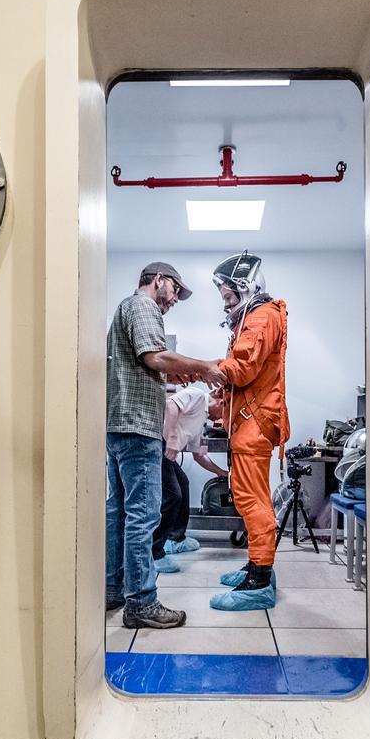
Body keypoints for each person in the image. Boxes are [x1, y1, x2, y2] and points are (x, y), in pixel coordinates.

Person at [106, 262, 224, 628]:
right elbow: (154, 357)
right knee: (144, 515)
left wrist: (175, 371)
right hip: (139, 427)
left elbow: (148, 365)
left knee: (121, 513)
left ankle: (114, 589)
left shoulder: (125, 309)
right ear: (158, 280)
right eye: (174, 290)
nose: (174, 300)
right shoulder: (143, 306)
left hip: (118, 425)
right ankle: (141, 603)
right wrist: (204, 366)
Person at [207, 252, 290, 612]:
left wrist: (203, 369)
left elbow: (241, 368)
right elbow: (243, 377)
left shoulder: (262, 318)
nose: (226, 306)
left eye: (228, 297)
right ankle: (256, 564)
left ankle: (259, 579)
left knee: (253, 501)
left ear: (246, 288)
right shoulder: (255, 319)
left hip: (254, 425)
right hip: (248, 423)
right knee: (247, 498)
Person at [154, 386, 230, 570]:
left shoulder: (201, 422)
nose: (221, 419)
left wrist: (222, 473)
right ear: (219, 400)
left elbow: (198, 456)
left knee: (183, 485)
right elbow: (171, 405)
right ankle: (154, 553)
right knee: (173, 496)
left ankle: (176, 539)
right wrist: (172, 439)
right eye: (223, 412)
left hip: (166, 451)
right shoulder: (197, 396)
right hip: (159, 444)